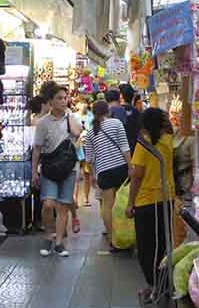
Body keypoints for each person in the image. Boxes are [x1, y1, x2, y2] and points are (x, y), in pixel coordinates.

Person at [126, 107, 176, 295]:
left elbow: (136, 175)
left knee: (147, 249)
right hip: (167, 199)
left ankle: (155, 286)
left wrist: (130, 203)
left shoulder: (145, 144)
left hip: (148, 201)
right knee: (163, 245)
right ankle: (160, 285)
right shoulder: (169, 141)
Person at [32, 84, 81, 257]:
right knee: (48, 204)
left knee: (63, 206)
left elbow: (76, 132)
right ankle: (49, 234)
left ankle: (59, 242)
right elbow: (37, 148)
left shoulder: (71, 117)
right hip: (49, 167)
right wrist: (34, 172)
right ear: (50, 101)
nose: (62, 101)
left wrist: (69, 116)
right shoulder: (43, 123)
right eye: (59, 98)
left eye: (64, 97)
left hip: (68, 167)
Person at [84, 100, 131, 248]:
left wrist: (93, 176)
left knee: (107, 206)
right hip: (120, 168)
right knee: (122, 202)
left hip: (104, 171)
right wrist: (131, 166)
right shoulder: (116, 123)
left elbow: (89, 159)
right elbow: (125, 147)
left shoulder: (91, 133)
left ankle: (112, 238)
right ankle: (125, 234)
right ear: (108, 111)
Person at [73, 96, 94, 208]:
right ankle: (75, 199)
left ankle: (86, 198)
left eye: (85, 103)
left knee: (87, 174)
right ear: (77, 105)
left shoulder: (91, 116)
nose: (84, 105)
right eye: (81, 103)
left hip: (88, 147)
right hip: (77, 148)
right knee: (75, 175)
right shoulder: (73, 117)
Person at [119, 83, 142, 150]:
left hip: (120, 150)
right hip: (135, 148)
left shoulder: (116, 112)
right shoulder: (136, 112)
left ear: (121, 96)